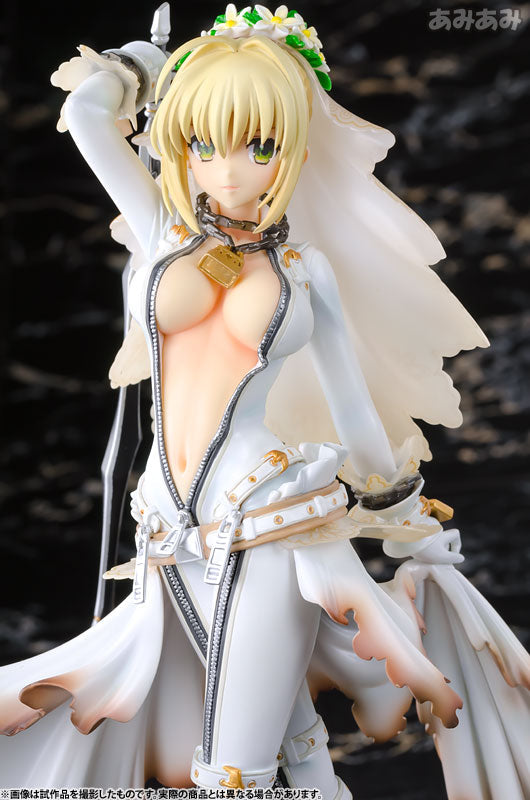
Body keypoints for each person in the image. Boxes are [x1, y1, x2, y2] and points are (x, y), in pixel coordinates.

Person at [1, 5, 529, 798]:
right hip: (167, 534)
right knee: (297, 748)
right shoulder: (162, 233)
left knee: (232, 775)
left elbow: (351, 403)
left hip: (268, 526)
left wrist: (402, 515)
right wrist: (146, 63)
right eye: (202, 143)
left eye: (259, 146)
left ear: (295, 150)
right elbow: (84, 112)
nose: (227, 170)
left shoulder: (305, 270)